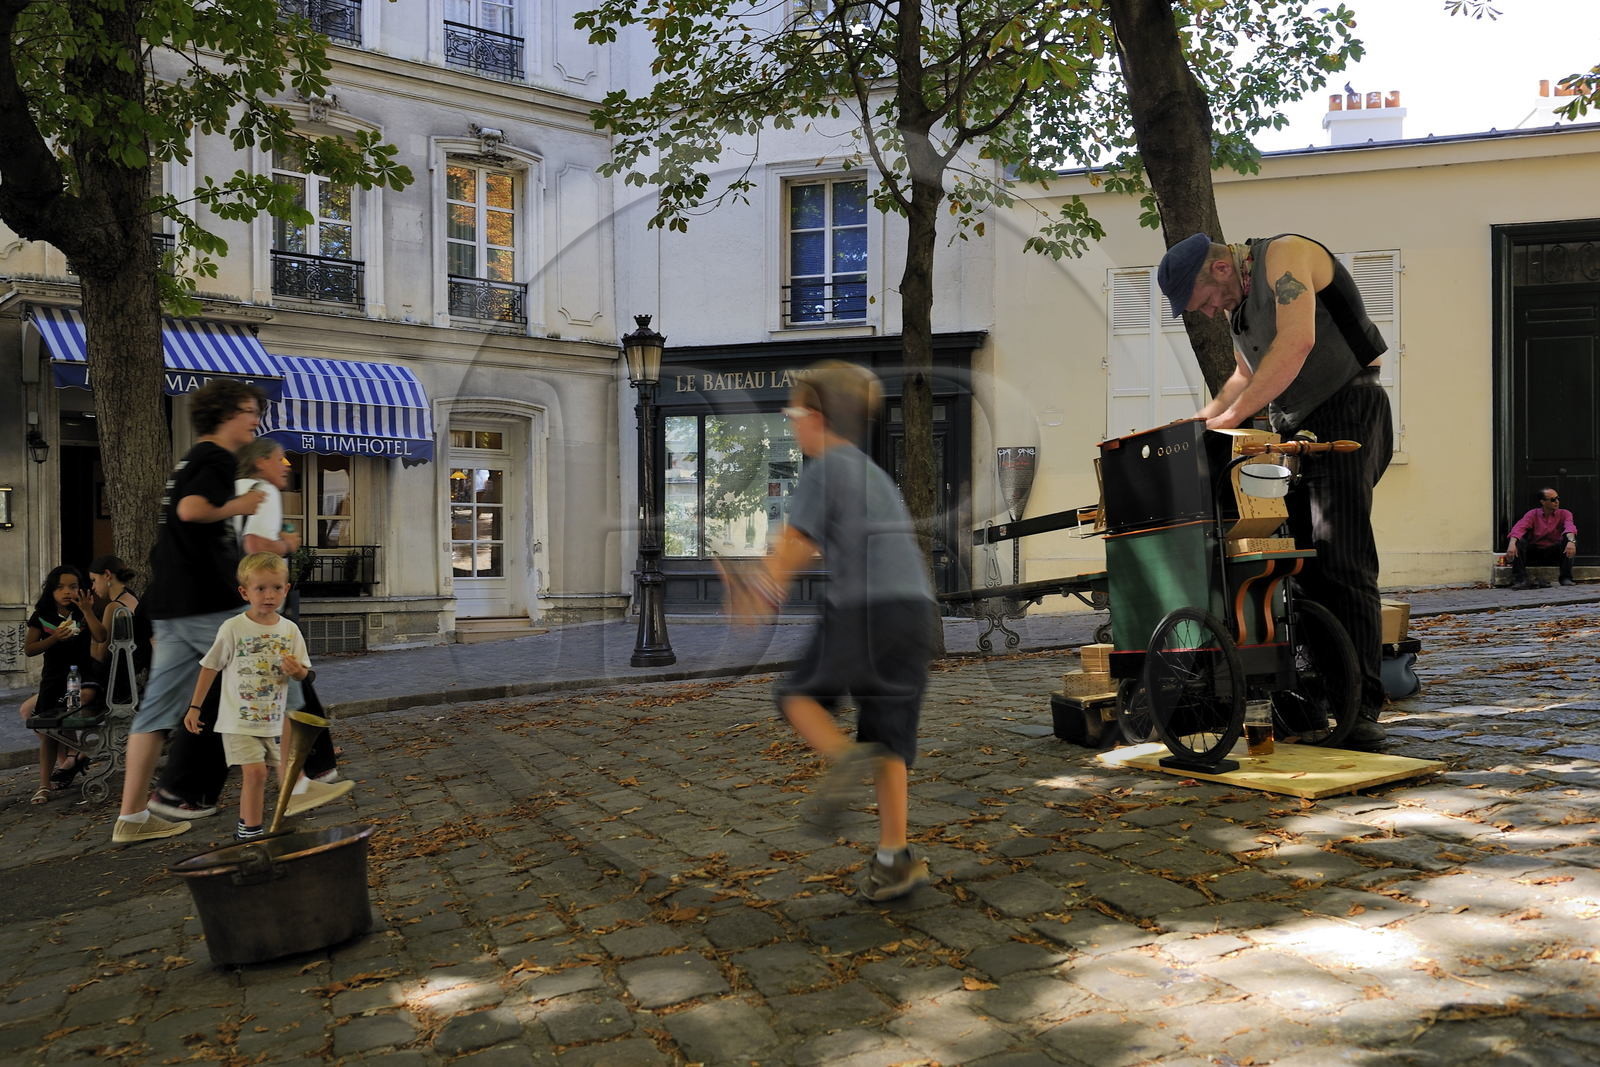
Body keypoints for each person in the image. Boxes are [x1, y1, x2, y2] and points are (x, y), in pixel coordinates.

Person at [1157, 232, 1393, 749]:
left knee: (1341, 558)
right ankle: (1318, 699)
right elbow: (1245, 375)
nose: (1211, 311)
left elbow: (1297, 342)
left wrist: (1233, 419)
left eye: (1205, 301)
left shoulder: (1285, 254)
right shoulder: (1239, 308)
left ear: (1219, 271)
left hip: (1348, 409)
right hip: (1295, 428)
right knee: (1294, 564)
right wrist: (1202, 420)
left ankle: (1362, 709)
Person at [722, 360, 937, 902]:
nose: (791, 422)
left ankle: (843, 761)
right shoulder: (872, 473)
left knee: (797, 697)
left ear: (816, 417)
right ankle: (894, 859)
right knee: (888, 741)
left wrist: (758, 596)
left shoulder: (824, 468)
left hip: (862, 609)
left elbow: (794, 546)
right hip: (914, 613)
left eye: (794, 412)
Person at [110, 378, 268, 844]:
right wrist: (242, 503)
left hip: (172, 604)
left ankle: (132, 817)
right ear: (224, 414)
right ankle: (303, 779)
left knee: (156, 712)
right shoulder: (215, 458)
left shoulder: (189, 459)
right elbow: (192, 511)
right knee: (271, 677)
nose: (255, 419)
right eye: (248, 410)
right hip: (203, 603)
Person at [227, 438, 350, 812]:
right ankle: (299, 782)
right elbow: (253, 543)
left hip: (241, 601)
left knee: (273, 689)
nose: (286, 465)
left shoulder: (235, 493)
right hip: (262, 604)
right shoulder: (262, 491)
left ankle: (300, 776)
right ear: (261, 462)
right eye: (279, 458)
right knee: (288, 687)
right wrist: (286, 544)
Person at [183, 553, 312, 842]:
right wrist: (195, 707)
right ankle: (250, 835)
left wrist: (298, 673)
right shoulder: (233, 628)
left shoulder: (290, 630)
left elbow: (306, 673)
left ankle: (249, 829)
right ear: (244, 592)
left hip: (272, 722)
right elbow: (210, 666)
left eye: (276, 588)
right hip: (237, 720)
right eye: (261, 588)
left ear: (287, 589)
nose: (269, 595)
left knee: (263, 776)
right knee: (254, 773)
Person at [19, 566, 101, 804]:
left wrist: (87, 610)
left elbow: (101, 636)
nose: (67, 592)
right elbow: (30, 649)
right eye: (61, 587)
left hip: (82, 675)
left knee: (80, 704)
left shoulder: (82, 611)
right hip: (54, 679)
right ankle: (44, 785)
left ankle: (75, 755)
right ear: (51, 590)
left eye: (73, 587)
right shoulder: (42, 615)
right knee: (48, 734)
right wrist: (54, 638)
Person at [1505, 489, 1577, 588]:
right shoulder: (1533, 514)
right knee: (1518, 541)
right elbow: (1519, 528)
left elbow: (1569, 527)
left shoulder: (1565, 513)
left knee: (1569, 541)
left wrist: (1571, 541)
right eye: (1553, 499)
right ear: (1543, 502)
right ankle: (1520, 579)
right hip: (1534, 551)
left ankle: (1566, 578)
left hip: (1553, 551)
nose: (1557, 502)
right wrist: (1512, 543)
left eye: (1558, 498)